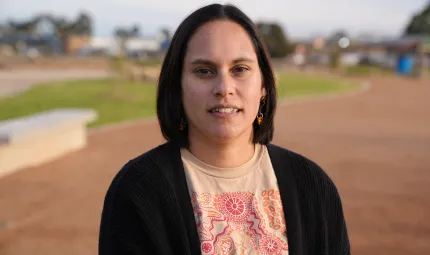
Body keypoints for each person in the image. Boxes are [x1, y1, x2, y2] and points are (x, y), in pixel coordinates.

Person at [98, 3, 350, 255]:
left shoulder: (313, 186)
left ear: (263, 84)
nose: (224, 87)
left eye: (240, 69)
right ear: (178, 87)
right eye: (204, 71)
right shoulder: (139, 191)